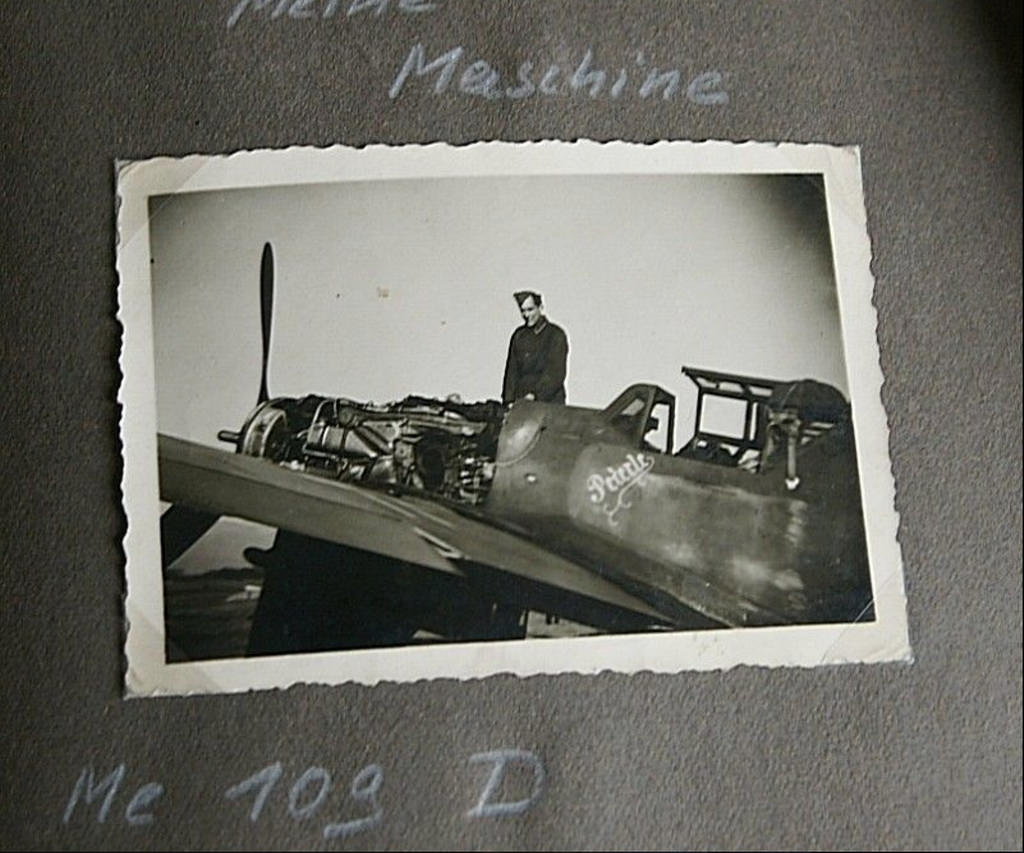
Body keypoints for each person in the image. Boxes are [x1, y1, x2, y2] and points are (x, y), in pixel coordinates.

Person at [501, 291, 569, 405]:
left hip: (549, 404)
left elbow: (555, 374)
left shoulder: (556, 335)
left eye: (530, 310)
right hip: (521, 403)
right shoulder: (519, 336)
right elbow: (511, 372)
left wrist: (535, 395)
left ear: (540, 308)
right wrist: (508, 401)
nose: (526, 315)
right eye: (523, 311)